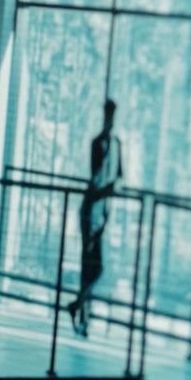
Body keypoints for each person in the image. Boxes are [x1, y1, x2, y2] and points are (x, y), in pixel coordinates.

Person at [67, 98, 122, 339]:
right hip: (92, 212)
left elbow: (118, 176)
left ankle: (80, 310)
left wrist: (110, 194)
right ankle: (81, 312)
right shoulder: (98, 143)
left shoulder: (116, 144)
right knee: (93, 267)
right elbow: (96, 179)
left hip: (100, 213)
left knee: (93, 267)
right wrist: (107, 191)